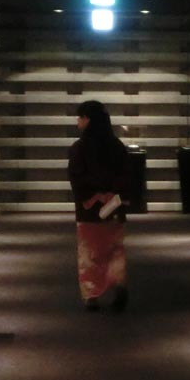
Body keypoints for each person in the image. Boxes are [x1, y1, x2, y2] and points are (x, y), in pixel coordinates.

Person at [67, 100, 130, 310]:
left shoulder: (79, 148)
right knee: (114, 250)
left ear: (87, 119)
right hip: (113, 206)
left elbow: (76, 177)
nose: (78, 122)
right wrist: (112, 193)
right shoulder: (117, 145)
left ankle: (92, 294)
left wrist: (95, 194)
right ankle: (118, 284)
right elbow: (126, 174)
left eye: (80, 117)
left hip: (89, 208)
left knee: (89, 252)